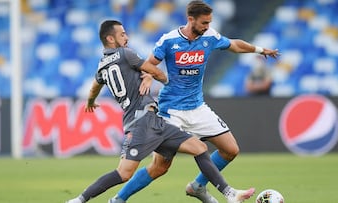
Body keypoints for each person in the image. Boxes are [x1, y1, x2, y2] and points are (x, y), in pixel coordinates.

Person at [66, 20, 255, 203]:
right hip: (141, 123)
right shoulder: (125, 54)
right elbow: (155, 71)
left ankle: (229, 193)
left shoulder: (101, 66)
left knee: (200, 148)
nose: (127, 37)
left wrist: (90, 101)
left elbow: (94, 88)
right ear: (110, 39)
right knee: (124, 173)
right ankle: (81, 199)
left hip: (155, 121)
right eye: (122, 34)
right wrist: (165, 81)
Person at [111, 1, 279, 203]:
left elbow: (234, 44)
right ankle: (119, 199)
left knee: (230, 150)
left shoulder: (210, 37)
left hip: (198, 107)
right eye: (204, 22)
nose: (207, 26)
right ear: (191, 19)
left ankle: (197, 186)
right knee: (160, 167)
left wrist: (260, 50)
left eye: (209, 22)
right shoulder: (169, 40)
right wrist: (148, 76)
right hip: (171, 111)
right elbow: (149, 64)